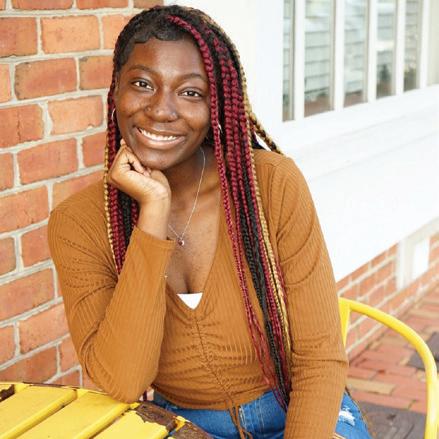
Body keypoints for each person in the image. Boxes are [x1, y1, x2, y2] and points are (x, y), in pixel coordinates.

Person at [48, 5, 373, 438]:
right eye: (142, 84)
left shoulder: (269, 186)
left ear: (216, 105)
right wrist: (152, 215)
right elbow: (124, 381)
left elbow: (320, 357)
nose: (161, 110)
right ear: (116, 91)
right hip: (184, 425)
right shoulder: (79, 224)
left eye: (190, 92)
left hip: (297, 409)